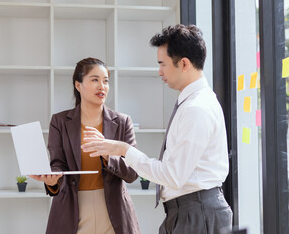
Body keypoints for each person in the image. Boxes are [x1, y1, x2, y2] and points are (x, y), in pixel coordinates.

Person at [82, 24, 233, 234]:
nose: (159, 71)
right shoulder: (191, 103)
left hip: (196, 213)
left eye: (162, 64)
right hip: (186, 211)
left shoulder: (196, 109)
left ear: (184, 64)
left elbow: (173, 175)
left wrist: (123, 150)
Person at [30, 57, 140, 234]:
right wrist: (52, 180)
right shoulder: (60, 121)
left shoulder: (122, 121)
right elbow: (57, 163)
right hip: (72, 209)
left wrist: (107, 153)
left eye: (105, 81)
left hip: (114, 210)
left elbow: (133, 172)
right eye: (94, 79)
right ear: (78, 85)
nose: (101, 86)